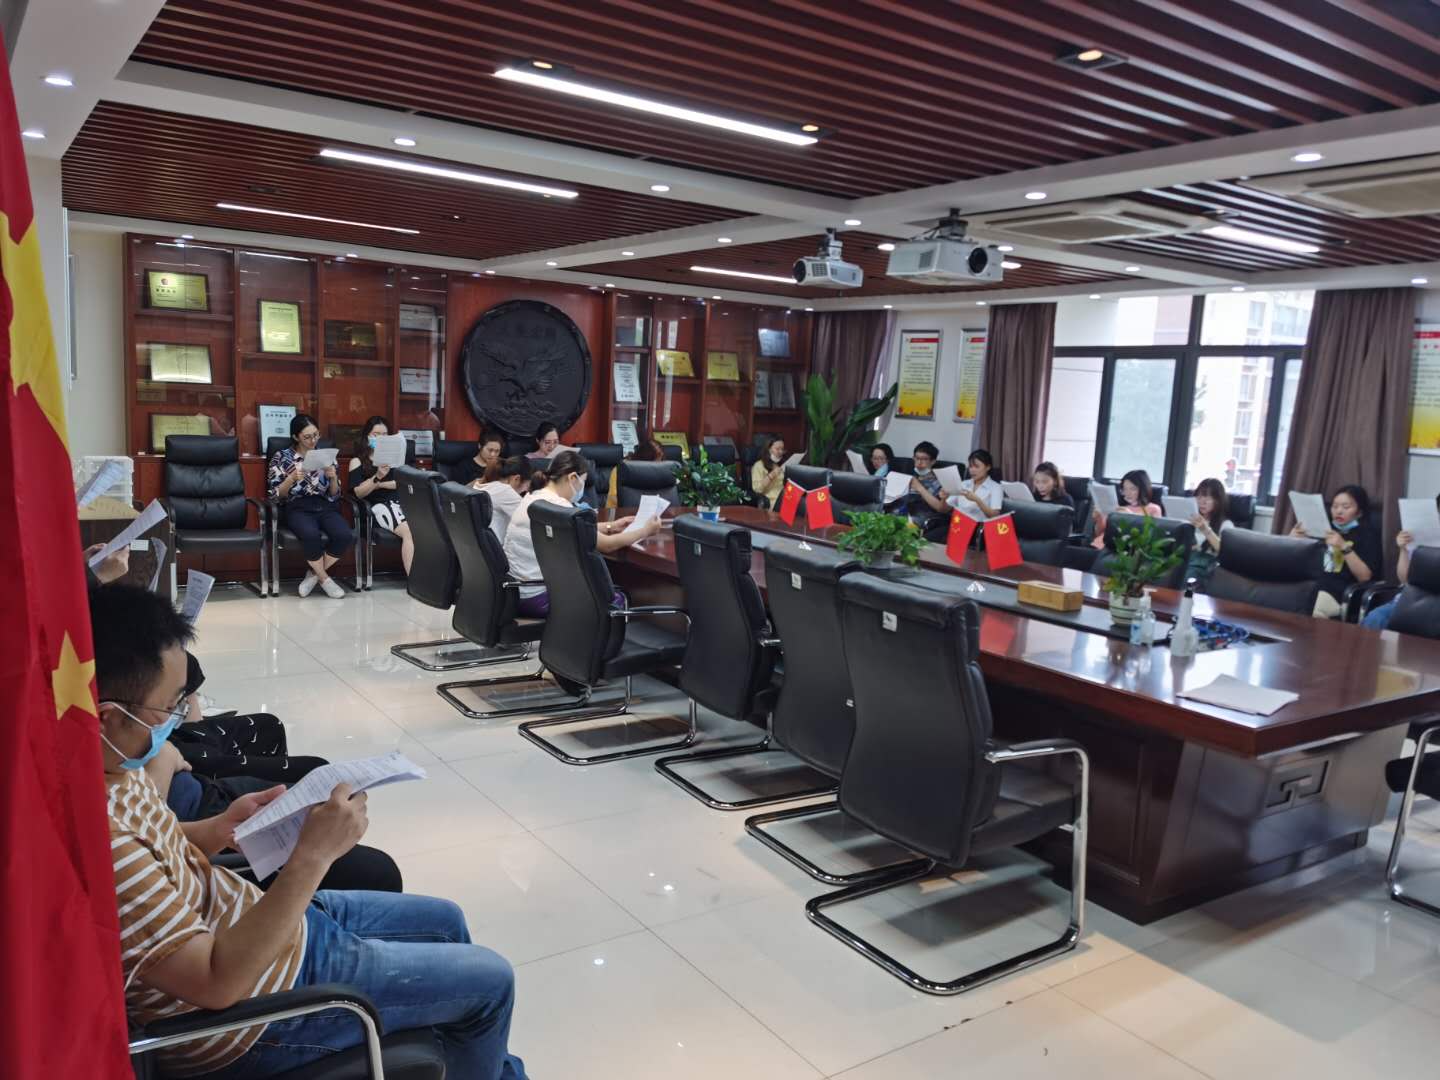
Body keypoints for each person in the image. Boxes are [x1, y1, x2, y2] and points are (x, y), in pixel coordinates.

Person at [93, 584, 526, 1079]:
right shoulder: (105, 843)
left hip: (259, 927)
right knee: (492, 983)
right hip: (249, 1019)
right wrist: (312, 857)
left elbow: (161, 844)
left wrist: (217, 828)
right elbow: (216, 983)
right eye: (169, 708)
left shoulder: (110, 767)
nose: (177, 722)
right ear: (108, 717)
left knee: (446, 921)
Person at [504, 450, 659, 617]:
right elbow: (606, 545)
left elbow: (572, 528)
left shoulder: (535, 498)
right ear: (572, 478)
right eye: (583, 481)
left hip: (518, 592)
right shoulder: (559, 506)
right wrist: (644, 531)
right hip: (539, 596)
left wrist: (611, 526)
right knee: (615, 600)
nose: (582, 488)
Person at [267, 414, 353, 598]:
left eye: (316, 435)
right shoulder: (282, 457)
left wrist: (332, 478)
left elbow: (335, 494)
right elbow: (275, 495)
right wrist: (290, 479)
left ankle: (314, 575)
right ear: (295, 437)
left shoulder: (326, 456)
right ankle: (325, 580)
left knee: (344, 535)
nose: (313, 440)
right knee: (310, 535)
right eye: (307, 437)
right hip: (297, 506)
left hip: (325, 505)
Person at [1290, 483, 1381, 619]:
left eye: (1346, 507)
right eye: (1335, 506)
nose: (1339, 511)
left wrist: (1343, 546)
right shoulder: (1321, 529)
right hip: (1310, 584)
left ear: (1359, 512)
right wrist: (1293, 540)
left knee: (1310, 608)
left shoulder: (1367, 535)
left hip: (1338, 591)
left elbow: (1365, 576)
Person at [347, 415, 413, 575]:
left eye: (384, 435)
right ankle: (414, 580)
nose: (381, 439)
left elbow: (403, 483)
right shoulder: (357, 461)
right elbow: (358, 493)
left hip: (400, 502)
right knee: (409, 532)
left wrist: (378, 484)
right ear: (367, 436)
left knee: (426, 529)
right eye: (376, 435)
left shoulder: (395, 458)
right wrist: (377, 477)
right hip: (377, 507)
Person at [1091, 469, 1163, 549]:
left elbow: (1150, 538)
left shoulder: (1153, 509)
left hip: (1122, 549)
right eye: (1124, 489)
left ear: (1143, 489)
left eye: (1132, 489)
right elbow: (1099, 534)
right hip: (1098, 546)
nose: (1127, 493)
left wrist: (1130, 517)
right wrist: (1099, 518)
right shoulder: (1119, 507)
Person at [1186, 477, 1232, 587]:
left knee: (1188, 576)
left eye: (1208, 497)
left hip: (1205, 566)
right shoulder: (1190, 520)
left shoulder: (1226, 525)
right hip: (1186, 559)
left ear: (1218, 501)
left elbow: (1226, 552)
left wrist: (1205, 530)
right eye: (1199, 496)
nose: (1202, 501)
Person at [476, 456, 531, 545]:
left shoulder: (482, 484)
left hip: (480, 544)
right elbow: (530, 519)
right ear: (516, 478)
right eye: (527, 486)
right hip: (495, 546)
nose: (526, 490)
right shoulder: (504, 491)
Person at [896, 441, 949, 526]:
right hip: (902, 513)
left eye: (924, 459)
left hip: (924, 519)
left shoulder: (940, 481)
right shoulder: (909, 475)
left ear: (933, 461)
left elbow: (941, 508)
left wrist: (919, 488)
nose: (919, 462)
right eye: (917, 458)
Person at [947, 448, 1005, 522]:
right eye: (970, 466)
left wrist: (977, 500)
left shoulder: (996, 487)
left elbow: (995, 515)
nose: (972, 470)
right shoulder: (963, 484)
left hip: (979, 526)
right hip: (958, 524)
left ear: (988, 467)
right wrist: (943, 498)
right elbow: (946, 508)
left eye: (977, 466)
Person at [605, 439, 665, 509]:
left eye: (661, 460)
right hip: (619, 512)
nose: (658, 464)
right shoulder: (622, 469)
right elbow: (614, 498)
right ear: (645, 458)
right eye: (655, 460)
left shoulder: (658, 471)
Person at [751, 435, 787, 509]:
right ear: (768, 449)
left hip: (785, 498)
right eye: (777, 449)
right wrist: (772, 474)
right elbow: (757, 489)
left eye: (782, 449)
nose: (780, 452)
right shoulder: (759, 465)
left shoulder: (779, 464)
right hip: (772, 501)